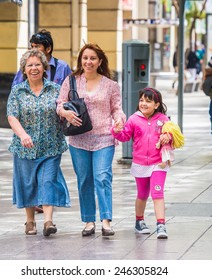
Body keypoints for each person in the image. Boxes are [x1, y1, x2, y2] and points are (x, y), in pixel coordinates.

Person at [56, 43, 126, 237]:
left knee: (102, 177)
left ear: (100, 61)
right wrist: (65, 113)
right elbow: (59, 104)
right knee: (84, 179)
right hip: (78, 139)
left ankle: (106, 220)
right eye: (85, 58)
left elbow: (117, 109)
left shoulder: (111, 85)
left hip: (104, 137)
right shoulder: (71, 81)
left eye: (93, 58)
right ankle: (88, 220)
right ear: (81, 60)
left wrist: (119, 120)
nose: (88, 62)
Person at [7, 49, 70, 236]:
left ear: (44, 68)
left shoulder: (56, 90)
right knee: (28, 184)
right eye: (30, 65)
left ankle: (48, 221)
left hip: (51, 146)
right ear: (24, 70)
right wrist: (23, 135)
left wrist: (65, 113)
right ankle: (30, 221)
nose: (34, 68)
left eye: (38, 65)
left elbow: (62, 109)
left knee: (48, 181)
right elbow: (12, 116)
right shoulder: (17, 91)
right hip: (25, 147)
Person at [111, 87, 171, 239]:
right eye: (142, 100)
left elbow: (173, 134)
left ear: (156, 105)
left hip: (159, 163)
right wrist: (117, 130)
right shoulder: (133, 119)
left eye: (148, 101)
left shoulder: (163, 119)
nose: (143, 103)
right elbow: (125, 137)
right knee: (142, 194)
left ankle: (161, 225)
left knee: (157, 193)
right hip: (140, 163)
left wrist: (168, 136)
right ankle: (139, 221)